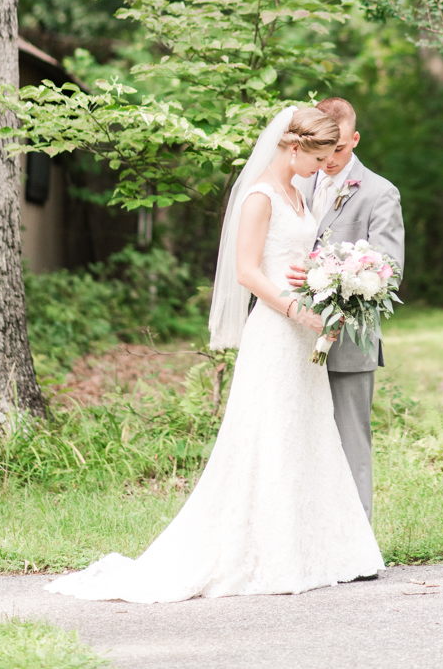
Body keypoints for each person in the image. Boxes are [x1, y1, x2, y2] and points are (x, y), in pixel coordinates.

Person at [45, 107, 383, 604]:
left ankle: (314, 549)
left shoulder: (296, 190)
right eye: (315, 157)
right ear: (292, 149)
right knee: (265, 438)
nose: (321, 166)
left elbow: (295, 257)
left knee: (305, 436)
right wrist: (298, 310)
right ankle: (265, 553)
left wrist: (324, 285)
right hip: (276, 331)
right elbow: (247, 272)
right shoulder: (260, 196)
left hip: (303, 334)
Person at [289, 97, 404, 521]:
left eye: (340, 149)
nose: (331, 160)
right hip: (292, 335)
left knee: (351, 440)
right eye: (326, 149)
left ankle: (358, 545)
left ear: (354, 139)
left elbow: (387, 272)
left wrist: (333, 278)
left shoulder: (379, 193)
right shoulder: (296, 184)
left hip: (348, 340)